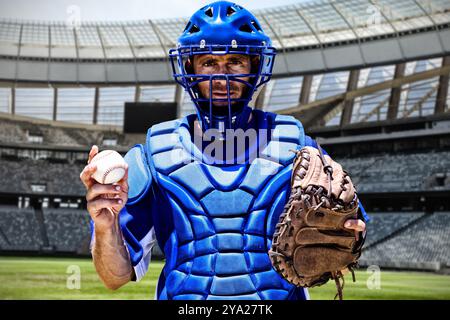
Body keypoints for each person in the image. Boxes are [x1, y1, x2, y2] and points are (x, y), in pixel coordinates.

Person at [80, 1, 367, 300]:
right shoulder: (151, 155)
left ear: (254, 67)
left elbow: (346, 239)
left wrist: (346, 237)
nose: (222, 76)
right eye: (208, 63)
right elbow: (115, 277)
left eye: (235, 62)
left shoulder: (298, 147)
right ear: (189, 67)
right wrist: (105, 224)